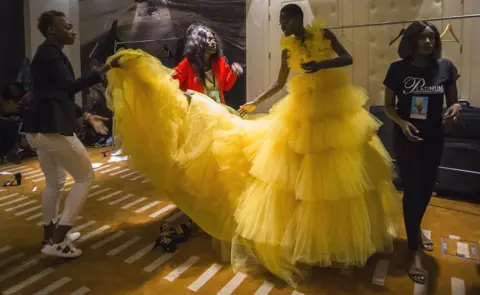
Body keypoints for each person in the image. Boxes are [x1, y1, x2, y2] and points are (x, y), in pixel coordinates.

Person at [105, 4, 400, 286]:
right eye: (281, 22)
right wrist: (256, 101)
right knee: (297, 170)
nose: (283, 26)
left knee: (335, 171)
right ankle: (303, 235)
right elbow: (279, 81)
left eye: (287, 20)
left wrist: (322, 64)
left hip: (333, 107)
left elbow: (346, 58)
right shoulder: (285, 48)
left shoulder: (324, 35)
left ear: (299, 19)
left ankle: (337, 235)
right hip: (290, 108)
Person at [22, 10, 119, 258]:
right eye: (67, 27)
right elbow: (69, 87)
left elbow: (56, 94)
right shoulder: (51, 54)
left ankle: (50, 236)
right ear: (52, 30)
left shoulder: (48, 54)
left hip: (38, 129)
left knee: (55, 181)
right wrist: (104, 69)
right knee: (85, 176)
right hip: (51, 130)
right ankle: (58, 241)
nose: (73, 31)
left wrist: (86, 116)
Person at [383, 21, 461, 284]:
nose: (428, 42)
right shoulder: (397, 70)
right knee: (412, 190)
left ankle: (415, 227)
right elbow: (388, 106)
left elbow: (454, 101)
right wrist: (402, 123)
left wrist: (455, 109)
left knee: (427, 188)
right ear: (412, 41)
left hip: (434, 137)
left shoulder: (445, 67)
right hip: (407, 138)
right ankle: (413, 251)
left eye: (431, 38)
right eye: (423, 38)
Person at [172, 24, 243, 105]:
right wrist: (183, 94)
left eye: (214, 39)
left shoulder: (220, 61)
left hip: (219, 110)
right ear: (199, 42)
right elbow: (170, 82)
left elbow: (226, 86)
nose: (214, 42)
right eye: (209, 39)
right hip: (198, 111)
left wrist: (233, 73)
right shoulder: (188, 63)